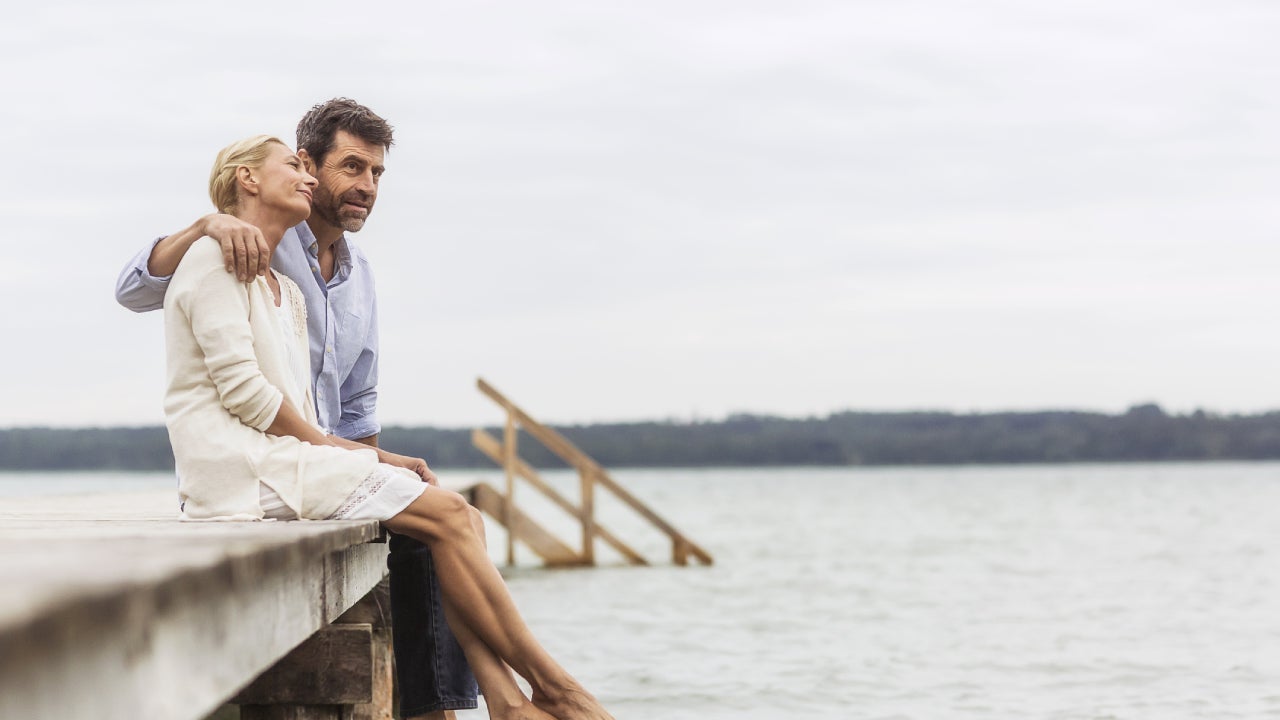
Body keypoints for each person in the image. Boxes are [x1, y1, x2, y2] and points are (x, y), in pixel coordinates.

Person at [164, 134, 612, 720]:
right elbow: (247, 396)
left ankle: (507, 701)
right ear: (248, 179)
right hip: (238, 473)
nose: (307, 178)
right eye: (295, 166)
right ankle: (556, 689)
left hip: (283, 462)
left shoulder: (286, 294)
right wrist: (350, 457)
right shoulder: (212, 257)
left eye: (376, 171)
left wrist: (372, 457)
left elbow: (319, 401)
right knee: (448, 515)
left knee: (461, 516)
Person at [115, 99, 473, 719]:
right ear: (308, 166)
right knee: (444, 525)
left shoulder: (360, 277)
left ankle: (444, 708)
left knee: (427, 543)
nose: (366, 187)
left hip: (332, 465)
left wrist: (377, 468)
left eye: (378, 174)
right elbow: (133, 291)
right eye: (352, 167)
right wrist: (206, 225)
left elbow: (359, 402)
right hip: (279, 465)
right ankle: (508, 699)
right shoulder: (258, 243)